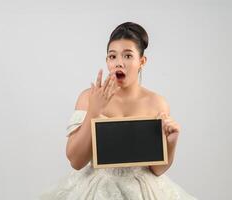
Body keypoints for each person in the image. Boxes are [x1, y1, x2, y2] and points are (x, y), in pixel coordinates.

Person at [39, 22, 197, 200]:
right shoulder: (89, 97)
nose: (119, 63)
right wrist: (93, 111)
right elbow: (76, 161)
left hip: (142, 190)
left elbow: (157, 169)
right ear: (107, 61)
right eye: (112, 56)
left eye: (128, 56)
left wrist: (172, 141)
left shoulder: (157, 103)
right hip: (98, 188)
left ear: (142, 61)